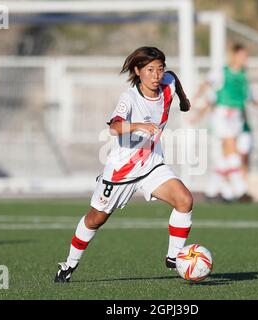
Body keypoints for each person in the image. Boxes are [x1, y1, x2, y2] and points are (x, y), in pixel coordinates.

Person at [54, 46, 192, 283]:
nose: (157, 74)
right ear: (138, 71)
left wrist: (184, 99)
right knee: (95, 219)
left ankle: (174, 257)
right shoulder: (129, 98)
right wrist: (139, 125)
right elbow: (114, 127)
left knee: (184, 200)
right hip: (121, 171)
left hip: (151, 164)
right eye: (150, 69)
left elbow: (174, 79)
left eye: (160, 68)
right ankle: (69, 264)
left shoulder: (167, 82)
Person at [192, 43, 258, 202]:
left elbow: (250, 97)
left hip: (237, 116)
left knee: (227, 156)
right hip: (222, 114)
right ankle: (240, 189)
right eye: (243, 55)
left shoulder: (244, 75)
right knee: (231, 148)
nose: (245, 59)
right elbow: (206, 84)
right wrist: (193, 101)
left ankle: (212, 190)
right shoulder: (222, 72)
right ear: (235, 55)